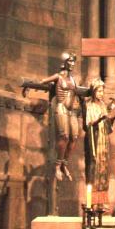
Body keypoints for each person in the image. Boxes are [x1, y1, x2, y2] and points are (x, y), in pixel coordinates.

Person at [21, 52, 89, 181]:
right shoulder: (58, 77)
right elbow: (41, 82)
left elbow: (79, 91)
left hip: (72, 111)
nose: (72, 64)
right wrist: (27, 85)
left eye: (74, 61)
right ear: (64, 62)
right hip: (61, 107)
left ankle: (65, 163)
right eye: (70, 61)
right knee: (64, 136)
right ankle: (58, 164)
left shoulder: (74, 80)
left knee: (74, 137)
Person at [82, 79, 115, 206]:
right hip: (94, 140)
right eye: (99, 91)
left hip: (103, 140)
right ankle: (92, 201)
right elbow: (89, 125)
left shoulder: (102, 105)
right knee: (94, 168)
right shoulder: (89, 105)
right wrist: (99, 119)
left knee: (103, 169)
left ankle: (101, 201)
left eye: (102, 91)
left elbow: (106, 123)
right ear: (94, 91)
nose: (101, 93)